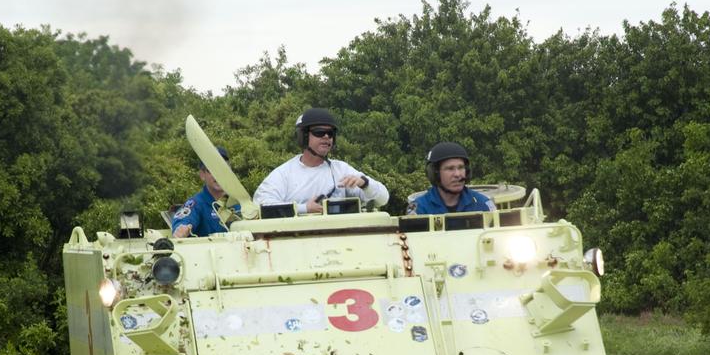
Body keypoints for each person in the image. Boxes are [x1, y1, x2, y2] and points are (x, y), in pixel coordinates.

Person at [253, 108, 389, 214]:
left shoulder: (341, 169)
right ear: (304, 136)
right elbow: (260, 205)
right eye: (319, 132)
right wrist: (304, 208)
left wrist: (365, 184)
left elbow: (383, 199)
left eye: (330, 134)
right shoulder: (284, 174)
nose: (326, 137)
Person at [409, 142, 496, 214]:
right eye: (450, 169)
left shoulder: (483, 204)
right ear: (435, 173)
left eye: (461, 167)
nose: (457, 174)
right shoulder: (419, 208)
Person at [171, 145, 237, 238]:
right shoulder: (196, 204)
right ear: (202, 175)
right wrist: (181, 230)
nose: (218, 174)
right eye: (212, 170)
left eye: (223, 169)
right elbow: (183, 222)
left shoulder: (239, 203)